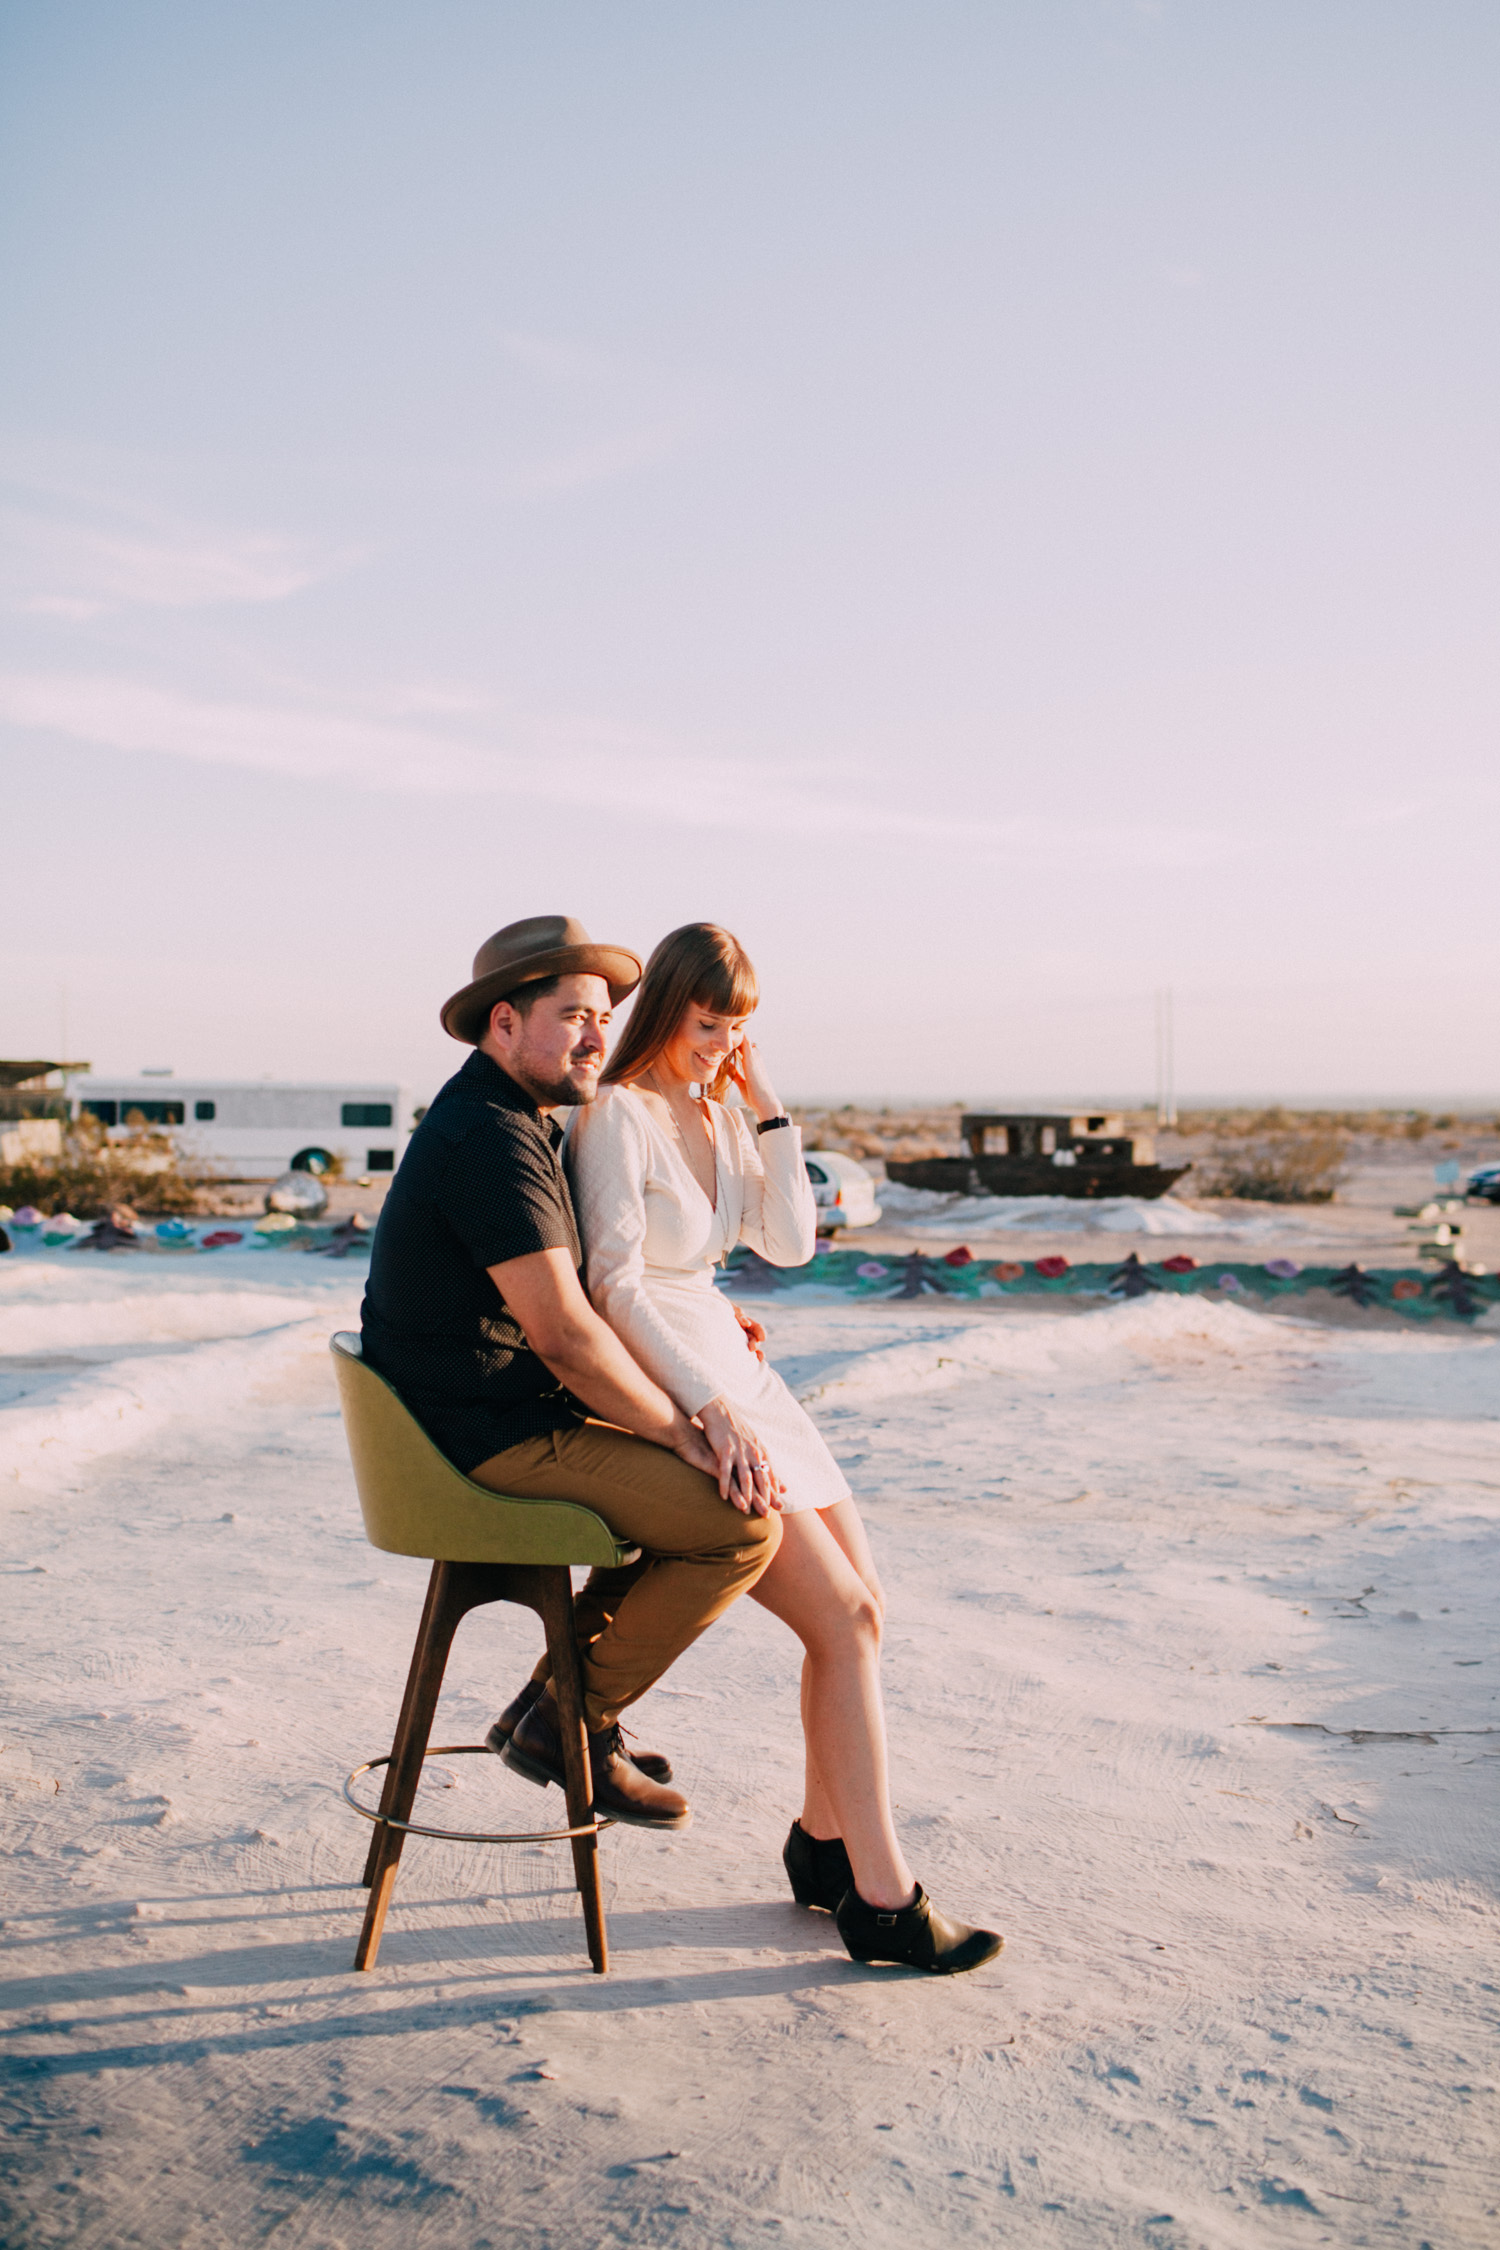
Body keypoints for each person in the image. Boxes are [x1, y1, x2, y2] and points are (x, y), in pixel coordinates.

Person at [565, 922, 1001, 1974]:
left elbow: (791, 1244)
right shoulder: (616, 1116)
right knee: (842, 1619)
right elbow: (617, 1286)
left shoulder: (718, 1110)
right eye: (708, 1025)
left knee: (863, 1610)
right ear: (666, 1011)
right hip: (693, 1389)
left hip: (748, 1376)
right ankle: (883, 1898)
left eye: (739, 1029)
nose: (721, 1044)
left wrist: (768, 1114)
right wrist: (706, 1407)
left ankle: (821, 1846)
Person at [359, 914, 782, 1835]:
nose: (599, 1035)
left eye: (603, 1015)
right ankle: (565, 1724)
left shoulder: (517, 1119)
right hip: (476, 1442)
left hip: (488, 1416)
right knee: (734, 1531)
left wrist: (695, 1331)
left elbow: (598, 1288)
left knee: (701, 1501)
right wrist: (683, 1423)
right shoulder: (491, 1140)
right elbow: (564, 1336)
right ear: (502, 1025)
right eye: (572, 1015)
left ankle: (557, 1715)